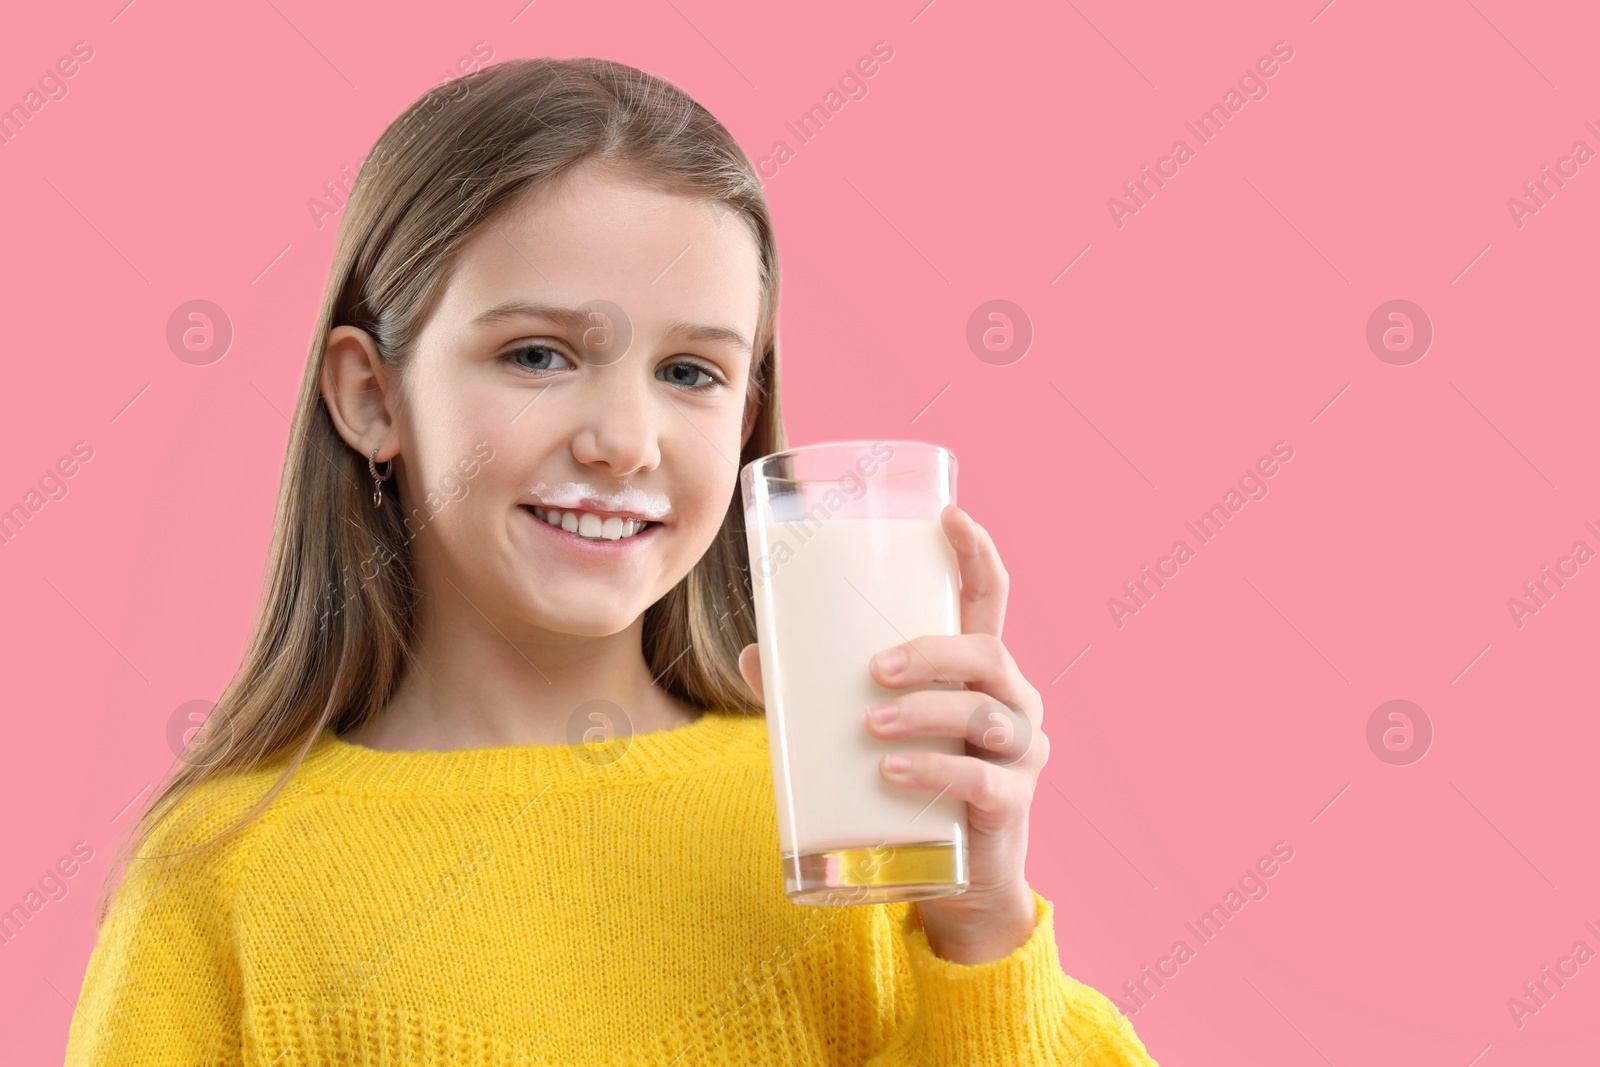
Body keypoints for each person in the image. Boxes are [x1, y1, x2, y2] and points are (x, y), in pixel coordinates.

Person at [64, 56, 1160, 1066]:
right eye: (537, 354)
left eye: (692, 372)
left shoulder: (856, 829)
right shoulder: (221, 879)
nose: (625, 439)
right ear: (371, 395)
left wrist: (981, 923)